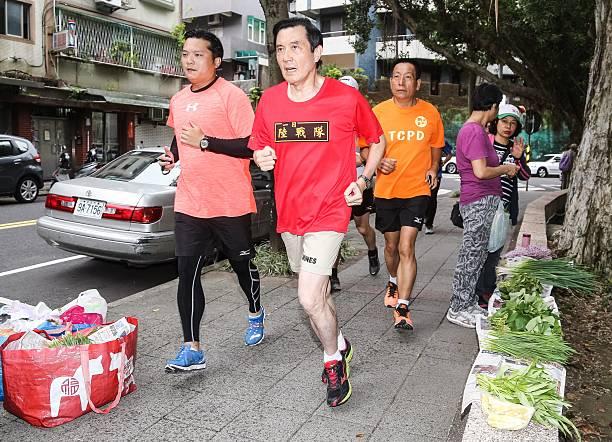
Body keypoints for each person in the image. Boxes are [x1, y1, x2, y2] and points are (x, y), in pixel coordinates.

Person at [249, 18, 385, 407]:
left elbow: (377, 141)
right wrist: (260, 157)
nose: (286, 57)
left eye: (295, 47)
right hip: (290, 214)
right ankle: (340, 343)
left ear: (317, 52)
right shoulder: (270, 101)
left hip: (330, 210)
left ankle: (332, 362)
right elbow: (258, 146)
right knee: (319, 293)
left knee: (308, 297)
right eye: (280, 49)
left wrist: (364, 180)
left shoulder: (345, 98)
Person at [158, 29, 265, 373]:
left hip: (230, 201)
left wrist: (206, 142)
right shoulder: (178, 99)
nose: (189, 60)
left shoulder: (232, 96)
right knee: (187, 273)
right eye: (185, 54)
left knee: (241, 266)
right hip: (191, 200)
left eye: (198, 55)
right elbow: (180, 138)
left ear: (216, 61)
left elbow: (250, 146)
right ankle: (192, 348)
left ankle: (255, 311)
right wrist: (172, 157)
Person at [372, 58, 445, 330]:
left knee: (406, 246)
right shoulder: (378, 112)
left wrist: (434, 167)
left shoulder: (430, 113)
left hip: (417, 190)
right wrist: (378, 161)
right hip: (387, 191)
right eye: (396, 76)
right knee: (391, 247)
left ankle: (403, 306)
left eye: (407, 77)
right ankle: (393, 281)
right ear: (390, 80)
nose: (401, 82)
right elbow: (366, 148)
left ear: (418, 83)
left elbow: (436, 145)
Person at [446, 84, 520, 328]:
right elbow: (481, 171)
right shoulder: (474, 131)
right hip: (478, 201)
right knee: (471, 256)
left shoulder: (475, 130)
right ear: (493, 106)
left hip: (482, 200)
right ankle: (458, 308)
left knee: (477, 255)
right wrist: (505, 168)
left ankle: (468, 303)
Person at [329, 75, 381, 292]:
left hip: (360, 183)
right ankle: (332, 275)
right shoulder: (328, 118)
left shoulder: (364, 119)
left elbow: (371, 152)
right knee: (334, 232)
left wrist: (359, 158)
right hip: (334, 184)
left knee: (362, 227)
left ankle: (372, 251)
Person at [475, 103, 531, 307]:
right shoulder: (485, 145)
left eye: (513, 123)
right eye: (504, 121)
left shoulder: (515, 149)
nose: (508, 126)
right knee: (479, 251)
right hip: (483, 205)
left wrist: (518, 158)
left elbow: (525, 176)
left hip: (503, 208)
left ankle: (486, 291)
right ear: (496, 122)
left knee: (495, 251)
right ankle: (475, 291)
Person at [424, 139, 453, 234]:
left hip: (435, 174)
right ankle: (423, 218)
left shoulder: (440, 140)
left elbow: (449, 154)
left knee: (432, 198)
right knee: (421, 198)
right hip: (419, 173)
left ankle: (429, 224)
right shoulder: (420, 136)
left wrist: (442, 163)